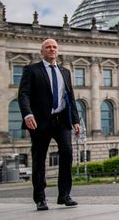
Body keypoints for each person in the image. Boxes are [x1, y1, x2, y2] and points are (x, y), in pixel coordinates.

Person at [18, 38, 81, 211]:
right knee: (39, 158)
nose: (52, 49)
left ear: (57, 50)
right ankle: (40, 198)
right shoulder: (31, 70)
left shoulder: (65, 71)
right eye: (48, 47)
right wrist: (27, 114)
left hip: (61, 120)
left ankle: (64, 195)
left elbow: (71, 98)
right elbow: (23, 94)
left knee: (67, 153)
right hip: (40, 121)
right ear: (42, 51)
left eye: (54, 47)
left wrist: (75, 120)